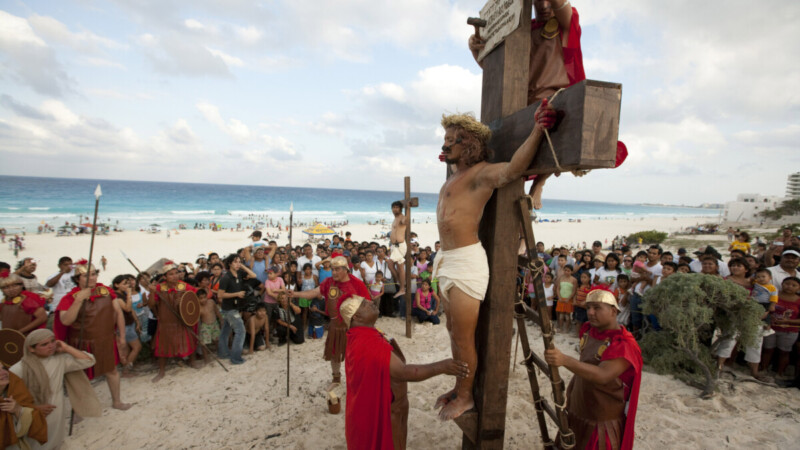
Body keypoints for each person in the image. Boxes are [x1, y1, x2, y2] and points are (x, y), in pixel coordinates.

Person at [432, 101, 557, 420]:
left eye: (452, 140)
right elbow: (451, 160)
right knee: (452, 330)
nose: (445, 145)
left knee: (464, 337)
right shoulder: (456, 174)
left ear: (469, 145)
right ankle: (459, 386)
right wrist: (450, 156)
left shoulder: (481, 173)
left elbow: (514, 168)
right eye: (445, 139)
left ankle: (465, 396)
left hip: (466, 263)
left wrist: (538, 129)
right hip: (447, 260)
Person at [339, 295, 469, 450]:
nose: (371, 302)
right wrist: (442, 367)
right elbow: (403, 372)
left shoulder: (363, 334)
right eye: (364, 304)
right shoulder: (366, 341)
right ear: (356, 317)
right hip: (388, 411)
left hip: (394, 407)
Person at [545, 287, 642, 450]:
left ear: (613, 311)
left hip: (600, 425)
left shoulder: (623, 345)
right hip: (578, 410)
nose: (590, 312)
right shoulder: (589, 330)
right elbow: (585, 365)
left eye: (597, 307)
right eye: (588, 307)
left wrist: (564, 360)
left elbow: (603, 375)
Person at [53, 261, 131, 410]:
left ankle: (116, 401)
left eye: (94, 274)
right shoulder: (69, 298)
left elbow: (118, 313)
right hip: (82, 343)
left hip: (106, 340)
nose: (91, 278)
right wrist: (79, 300)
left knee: (111, 371)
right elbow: (66, 321)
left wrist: (122, 337)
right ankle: (79, 410)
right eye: (85, 276)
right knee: (80, 377)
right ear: (77, 279)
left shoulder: (106, 291)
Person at [10, 329, 102, 450]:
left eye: (53, 341)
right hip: (33, 414)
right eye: (44, 344)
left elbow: (88, 360)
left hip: (57, 410)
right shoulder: (18, 369)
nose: (51, 346)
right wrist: (34, 408)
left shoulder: (60, 360)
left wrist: (66, 348)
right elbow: (10, 398)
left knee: (55, 442)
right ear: (31, 349)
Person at [290, 256, 370, 385]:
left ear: (346, 269)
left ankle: (356, 380)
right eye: (332, 269)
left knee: (354, 355)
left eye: (337, 269)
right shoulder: (329, 282)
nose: (334, 272)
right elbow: (314, 292)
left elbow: (368, 306)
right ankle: (336, 378)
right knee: (334, 354)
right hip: (335, 325)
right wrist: (295, 294)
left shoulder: (357, 284)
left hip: (353, 327)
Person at [147, 262, 199, 382]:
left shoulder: (184, 286)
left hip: (181, 320)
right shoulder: (159, 288)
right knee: (163, 347)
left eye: (176, 273)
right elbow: (151, 304)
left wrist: (184, 301)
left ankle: (192, 362)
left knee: (189, 341)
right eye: (171, 274)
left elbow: (193, 299)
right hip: (166, 323)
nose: (175, 276)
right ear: (165, 276)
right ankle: (161, 371)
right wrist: (152, 292)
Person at [216, 255, 257, 365]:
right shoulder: (226, 278)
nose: (238, 264)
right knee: (241, 331)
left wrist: (242, 266)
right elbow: (220, 295)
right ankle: (236, 358)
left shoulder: (240, 273)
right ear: (230, 263)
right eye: (235, 262)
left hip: (234, 307)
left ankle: (223, 353)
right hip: (229, 309)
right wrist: (237, 294)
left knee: (225, 331)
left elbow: (254, 275)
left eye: (239, 262)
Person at [0, 365, 48, 449]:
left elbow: (33, 421)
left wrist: (18, 410)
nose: (4, 373)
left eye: (4, 369)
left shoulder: (16, 389)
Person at [761, 277, 800, 377]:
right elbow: (763, 308)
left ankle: (780, 373)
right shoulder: (773, 295)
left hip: (789, 331)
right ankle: (763, 369)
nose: (789, 287)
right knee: (767, 349)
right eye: (787, 284)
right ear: (782, 284)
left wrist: (787, 321)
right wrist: (769, 317)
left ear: (798, 288)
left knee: (784, 352)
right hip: (770, 328)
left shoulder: (799, 300)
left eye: (793, 285)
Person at [389, 201, 408, 298]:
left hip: (399, 245)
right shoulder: (395, 218)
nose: (395, 209)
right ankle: (402, 283)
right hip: (394, 246)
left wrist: (408, 209)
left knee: (400, 267)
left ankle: (402, 288)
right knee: (390, 265)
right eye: (393, 207)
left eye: (397, 207)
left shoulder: (401, 217)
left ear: (401, 209)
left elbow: (405, 221)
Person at [555, 265, 577, 333]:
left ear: (571, 271)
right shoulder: (560, 278)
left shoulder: (574, 280)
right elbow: (558, 288)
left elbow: (574, 291)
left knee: (567, 315)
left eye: (568, 271)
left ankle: (567, 328)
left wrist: (569, 298)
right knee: (561, 314)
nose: (566, 272)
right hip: (561, 298)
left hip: (569, 299)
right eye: (565, 270)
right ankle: (561, 328)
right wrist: (559, 297)